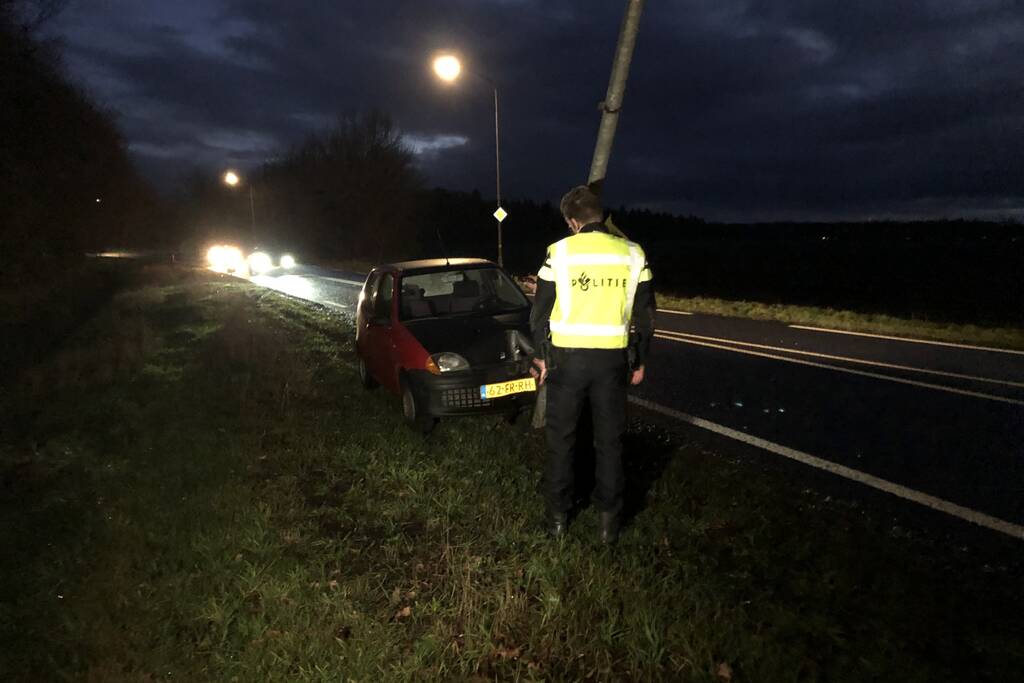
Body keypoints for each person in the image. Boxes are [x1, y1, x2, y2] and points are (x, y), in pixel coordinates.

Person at [529, 185, 655, 544]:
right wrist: (640, 359)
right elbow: (646, 317)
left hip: (567, 361)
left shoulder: (559, 253)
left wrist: (540, 356)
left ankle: (557, 519)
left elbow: (539, 313)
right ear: (600, 215)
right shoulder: (634, 253)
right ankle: (608, 524)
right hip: (612, 361)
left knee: (562, 440)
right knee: (610, 442)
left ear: (572, 222)